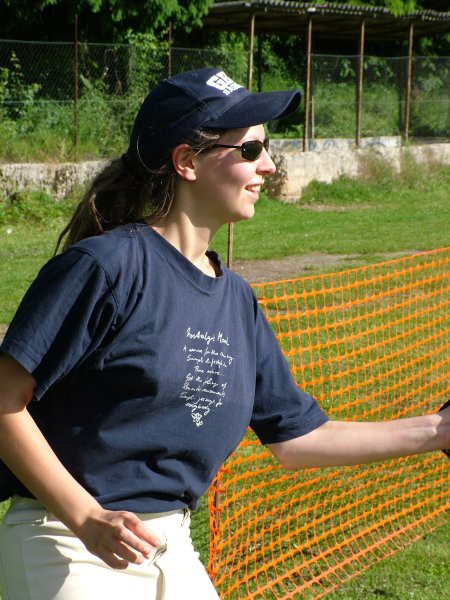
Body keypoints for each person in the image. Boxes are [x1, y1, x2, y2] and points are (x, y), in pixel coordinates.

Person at [0, 66, 448, 600]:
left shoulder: (236, 299)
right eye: (250, 150)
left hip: (170, 546)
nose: (269, 166)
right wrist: (86, 516)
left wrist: (438, 431)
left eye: (266, 148)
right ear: (187, 161)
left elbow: (298, 436)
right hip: (68, 542)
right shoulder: (108, 267)